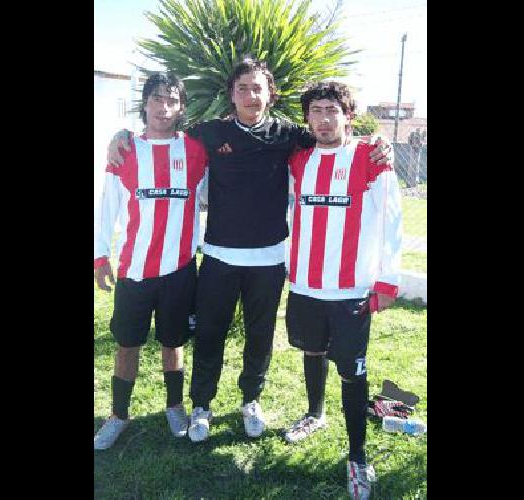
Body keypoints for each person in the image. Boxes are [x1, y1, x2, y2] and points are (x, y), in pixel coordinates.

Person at [107, 58, 392, 443]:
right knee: (210, 334)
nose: (250, 96)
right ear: (232, 95)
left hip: (269, 259)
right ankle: (202, 405)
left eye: (258, 88)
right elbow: (162, 132)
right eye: (242, 88)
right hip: (220, 257)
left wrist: (379, 143)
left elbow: (337, 141)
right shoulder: (209, 133)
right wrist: (121, 134)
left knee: (259, 337)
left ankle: (250, 401)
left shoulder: (291, 135)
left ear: (270, 94)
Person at [281, 81, 402, 500]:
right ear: (307, 117)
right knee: (311, 351)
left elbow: (391, 221)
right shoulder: (298, 159)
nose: (324, 119)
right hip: (305, 285)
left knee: (352, 370)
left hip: (351, 289)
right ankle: (315, 413)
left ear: (348, 114)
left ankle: (357, 456)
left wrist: (387, 281)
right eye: (316, 110)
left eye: (332, 110)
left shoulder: (370, 156)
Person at [93, 72, 208, 450]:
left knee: (173, 341)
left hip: (178, 269)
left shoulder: (196, 150)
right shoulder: (125, 150)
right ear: (145, 103)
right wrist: (99, 255)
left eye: (172, 100)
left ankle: (175, 406)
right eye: (157, 98)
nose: (163, 107)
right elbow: (107, 206)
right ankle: (118, 415)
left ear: (181, 107)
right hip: (134, 269)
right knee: (128, 343)